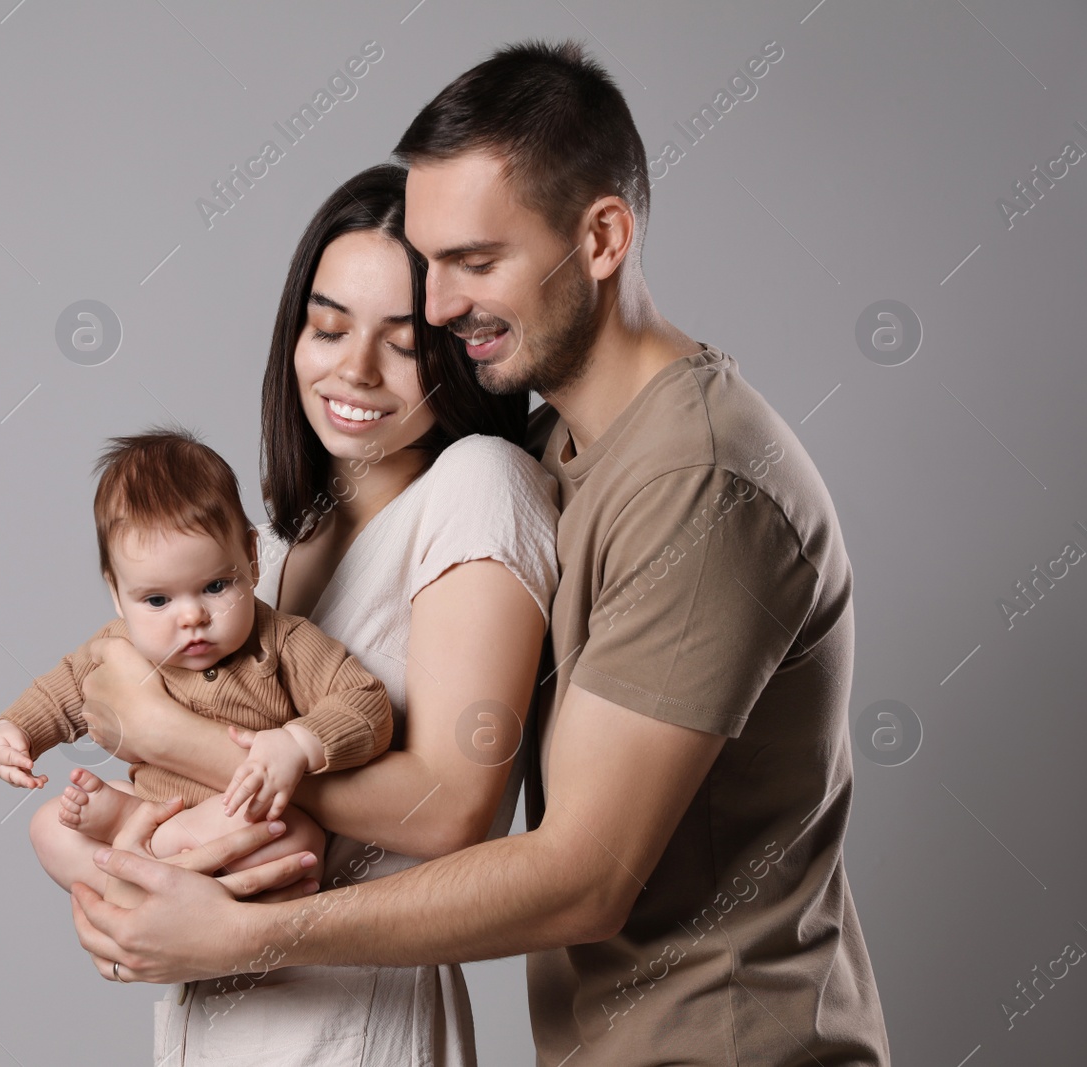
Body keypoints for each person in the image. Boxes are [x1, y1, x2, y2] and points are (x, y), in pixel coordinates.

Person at [69, 39, 892, 1067]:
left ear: (600, 237)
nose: (443, 303)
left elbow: (582, 872)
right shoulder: (563, 452)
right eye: (434, 261)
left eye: (473, 261)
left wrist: (247, 925)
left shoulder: (700, 484)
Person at [69, 162, 561, 1065]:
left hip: (356, 1027)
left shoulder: (480, 488)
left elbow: (455, 806)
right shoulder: (277, 545)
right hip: (210, 1022)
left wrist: (162, 729)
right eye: (327, 326)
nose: (354, 369)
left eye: (405, 345)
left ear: (460, 351)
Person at [0, 429, 396, 897]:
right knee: (47, 826)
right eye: (158, 599)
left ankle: (150, 863)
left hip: (233, 819)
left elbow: (367, 704)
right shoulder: (120, 646)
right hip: (150, 801)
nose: (193, 617)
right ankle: (144, 881)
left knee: (297, 842)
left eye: (216, 587)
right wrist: (16, 730)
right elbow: (61, 690)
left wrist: (298, 744)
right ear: (117, 595)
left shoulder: (284, 642)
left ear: (251, 559)